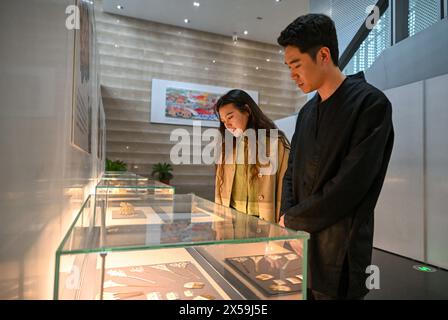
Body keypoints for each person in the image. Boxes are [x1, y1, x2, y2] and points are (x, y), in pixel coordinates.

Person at [277, 14, 394, 300]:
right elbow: (291, 172)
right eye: (288, 66)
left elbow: (350, 186)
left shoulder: (370, 104)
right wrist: (287, 218)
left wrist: (293, 220)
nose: (292, 74)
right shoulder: (306, 113)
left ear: (323, 55)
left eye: (296, 64)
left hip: (340, 252)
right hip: (301, 246)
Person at [214, 89, 290, 224]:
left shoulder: (275, 144)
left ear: (247, 110)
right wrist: (218, 224)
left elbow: (286, 188)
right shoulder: (227, 147)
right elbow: (219, 191)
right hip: (231, 221)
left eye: (230, 117)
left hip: (262, 223)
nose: (227, 125)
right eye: (224, 121)